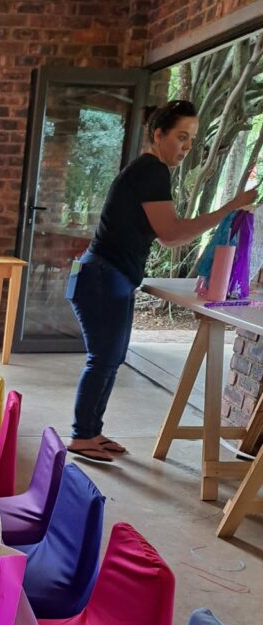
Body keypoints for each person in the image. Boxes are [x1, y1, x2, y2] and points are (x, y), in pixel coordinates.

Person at [66, 98, 258, 463]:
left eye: (191, 139)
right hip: (104, 276)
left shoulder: (150, 170)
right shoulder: (151, 170)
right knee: (103, 359)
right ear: (159, 135)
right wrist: (229, 208)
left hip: (109, 276)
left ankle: (91, 431)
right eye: (181, 137)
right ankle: (81, 436)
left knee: (111, 358)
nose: (186, 147)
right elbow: (172, 234)